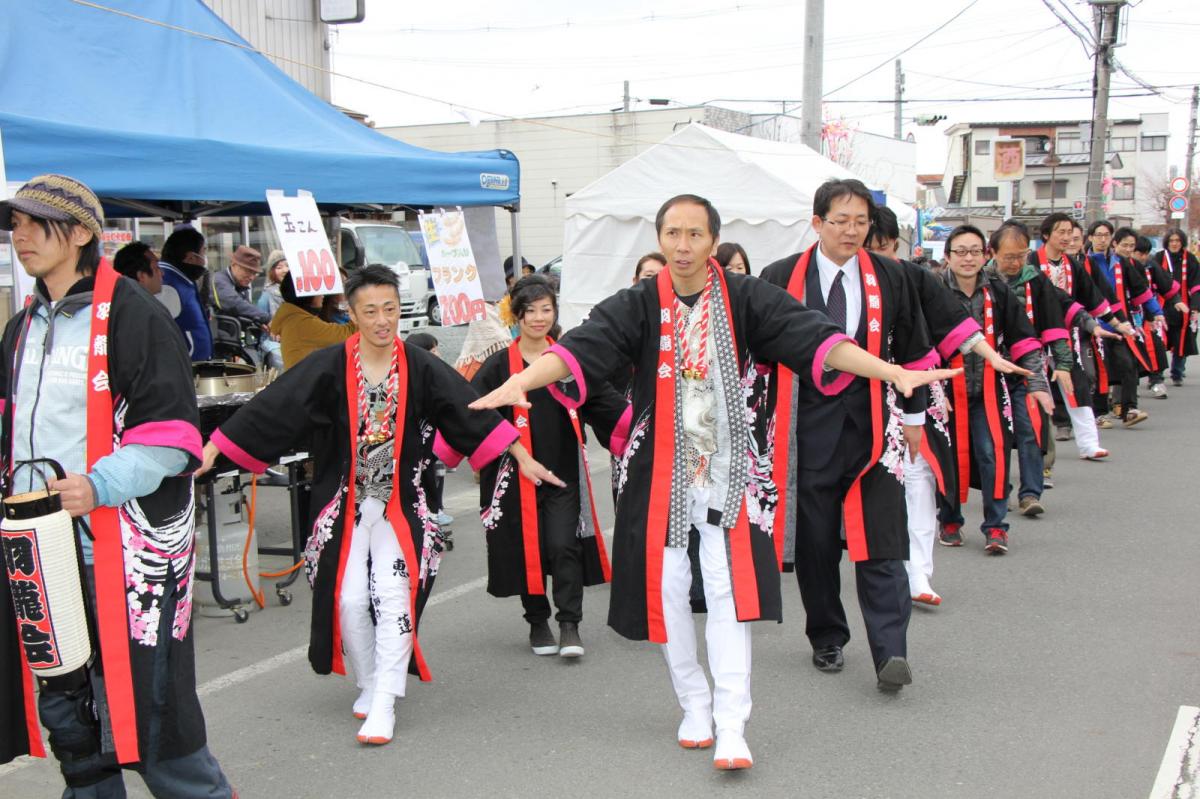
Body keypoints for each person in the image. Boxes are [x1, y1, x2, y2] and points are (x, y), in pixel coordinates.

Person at [469, 193, 955, 770]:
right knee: (671, 592)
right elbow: (583, 350)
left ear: (712, 241)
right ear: (659, 239)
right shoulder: (639, 303)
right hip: (660, 477)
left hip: (731, 473)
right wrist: (519, 381)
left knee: (727, 592)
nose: (682, 246)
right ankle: (692, 701)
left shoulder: (748, 298)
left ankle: (731, 721)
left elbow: (817, 338)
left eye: (695, 234)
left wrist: (892, 371)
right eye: (672, 233)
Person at [198, 265, 558, 747]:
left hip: (402, 506)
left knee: (393, 595)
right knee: (347, 601)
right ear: (352, 312)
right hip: (343, 504)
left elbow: (466, 408)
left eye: (391, 309)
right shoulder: (329, 365)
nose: (383, 320)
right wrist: (216, 446)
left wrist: (519, 453)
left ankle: (386, 697)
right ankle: (370, 681)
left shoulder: (420, 365)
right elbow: (276, 406)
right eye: (371, 311)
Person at [0, 175, 233, 795]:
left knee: (154, 722)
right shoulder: (21, 327)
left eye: (33, 222)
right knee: (72, 722)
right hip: (39, 550)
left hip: (118, 549)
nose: (18, 235)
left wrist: (98, 484)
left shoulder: (134, 314)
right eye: (14, 223)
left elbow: (173, 435)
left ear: (79, 233)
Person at [761, 179, 936, 692]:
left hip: (875, 429)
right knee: (816, 545)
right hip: (807, 432)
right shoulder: (778, 277)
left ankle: (891, 652)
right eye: (840, 220)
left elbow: (916, 351)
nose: (852, 231)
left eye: (861, 221)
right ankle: (827, 636)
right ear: (817, 223)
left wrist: (914, 418)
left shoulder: (891, 276)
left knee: (883, 540)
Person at [866, 208, 1027, 602]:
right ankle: (876, 570)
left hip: (915, 393)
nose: (878, 255)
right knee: (869, 488)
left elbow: (955, 325)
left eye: (885, 247)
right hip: (857, 395)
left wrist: (990, 354)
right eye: (872, 247)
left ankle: (919, 573)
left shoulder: (915, 277)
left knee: (920, 479)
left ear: (895, 244)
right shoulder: (839, 280)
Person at [471, 276, 628, 657]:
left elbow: (603, 402)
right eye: (530, 311)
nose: (539, 318)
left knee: (562, 544)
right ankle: (537, 620)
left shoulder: (569, 362)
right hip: (515, 472)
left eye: (546, 309)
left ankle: (569, 624)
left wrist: (635, 428)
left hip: (562, 471)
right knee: (529, 547)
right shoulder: (497, 366)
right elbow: (474, 414)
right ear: (516, 315)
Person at [936, 225, 1048, 555]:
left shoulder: (998, 292)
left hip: (989, 388)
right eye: (960, 251)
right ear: (948, 256)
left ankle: (996, 526)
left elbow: (1024, 338)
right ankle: (950, 519)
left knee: (993, 454)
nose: (968, 258)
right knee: (949, 459)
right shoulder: (934, 291)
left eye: (975, 251)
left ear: (985, 255)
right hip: (944, 390)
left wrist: (1037, 383)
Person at [1084, 222, 1160, 424]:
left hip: (1118, 325)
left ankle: (1129, 410)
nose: (1102, 239)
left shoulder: (1121, 263)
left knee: (1128, 364)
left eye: (1106, 235)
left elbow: (1140, 290)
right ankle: (1099, 413)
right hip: (1092, 327)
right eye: (1098, 235)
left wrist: (1157, 312)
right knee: (1097, 372)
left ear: (1112, 239)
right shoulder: (1083, 262)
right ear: (1090, 237)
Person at [406, 331, 452, 527]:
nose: (438, 354)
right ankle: (430, 511)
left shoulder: (433, 371)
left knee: (436, 474)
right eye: (433, 350)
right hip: (422, 439)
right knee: (423, 476)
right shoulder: (416, 375)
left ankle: (436, 508)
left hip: (434, 438)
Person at [271, 273, 356, 370]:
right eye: (318, 289)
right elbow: (349, 334)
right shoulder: (302, 323)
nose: (323, 294)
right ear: (306, 294)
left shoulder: (293, 317)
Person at [157, 225, 213, 360]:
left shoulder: (182, 280)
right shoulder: (168, 284)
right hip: (185, 369)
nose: (204, 259)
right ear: (191, 258)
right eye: (203, 252)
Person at [1154, 228, 1200, 386]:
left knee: (1182, 340)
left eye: (1177, 241)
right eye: (1171, 241)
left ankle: (1177, 373)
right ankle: (1157, 375)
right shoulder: (1159, 258)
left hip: (1184, 307)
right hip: (1161, 306)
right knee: (1158, 342)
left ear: (1182, 242)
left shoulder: (1190, 259)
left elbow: (1196, 285)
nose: (1174, 244)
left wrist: (1195, 306)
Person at [1133, 233, 1174, 397]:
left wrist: (1176, 300)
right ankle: (1127, 390)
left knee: (1156, 347)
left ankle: (1157, 380)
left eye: (1145, 253)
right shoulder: (1119, 266)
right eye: (1139, 253)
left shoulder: (1151, 266)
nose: (1143, 257)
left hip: (1148, 314)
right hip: (1126, 317)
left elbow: (1165, 285)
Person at [212, 245, 271, 328]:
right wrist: (266, 319)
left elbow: (247, 311)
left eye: (254, 273)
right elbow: (233, 303)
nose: (251, 277)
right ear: (233, 264)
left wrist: (258, 323)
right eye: (248, 271)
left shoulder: (240, 286)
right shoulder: (219, 281)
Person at [256, 250, 288, 370]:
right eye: (279, 267)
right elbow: (260, 321)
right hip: (273, 341)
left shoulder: (300, 292)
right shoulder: (267, 295)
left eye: (287, 265)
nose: (285, 270)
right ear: (272, 271)